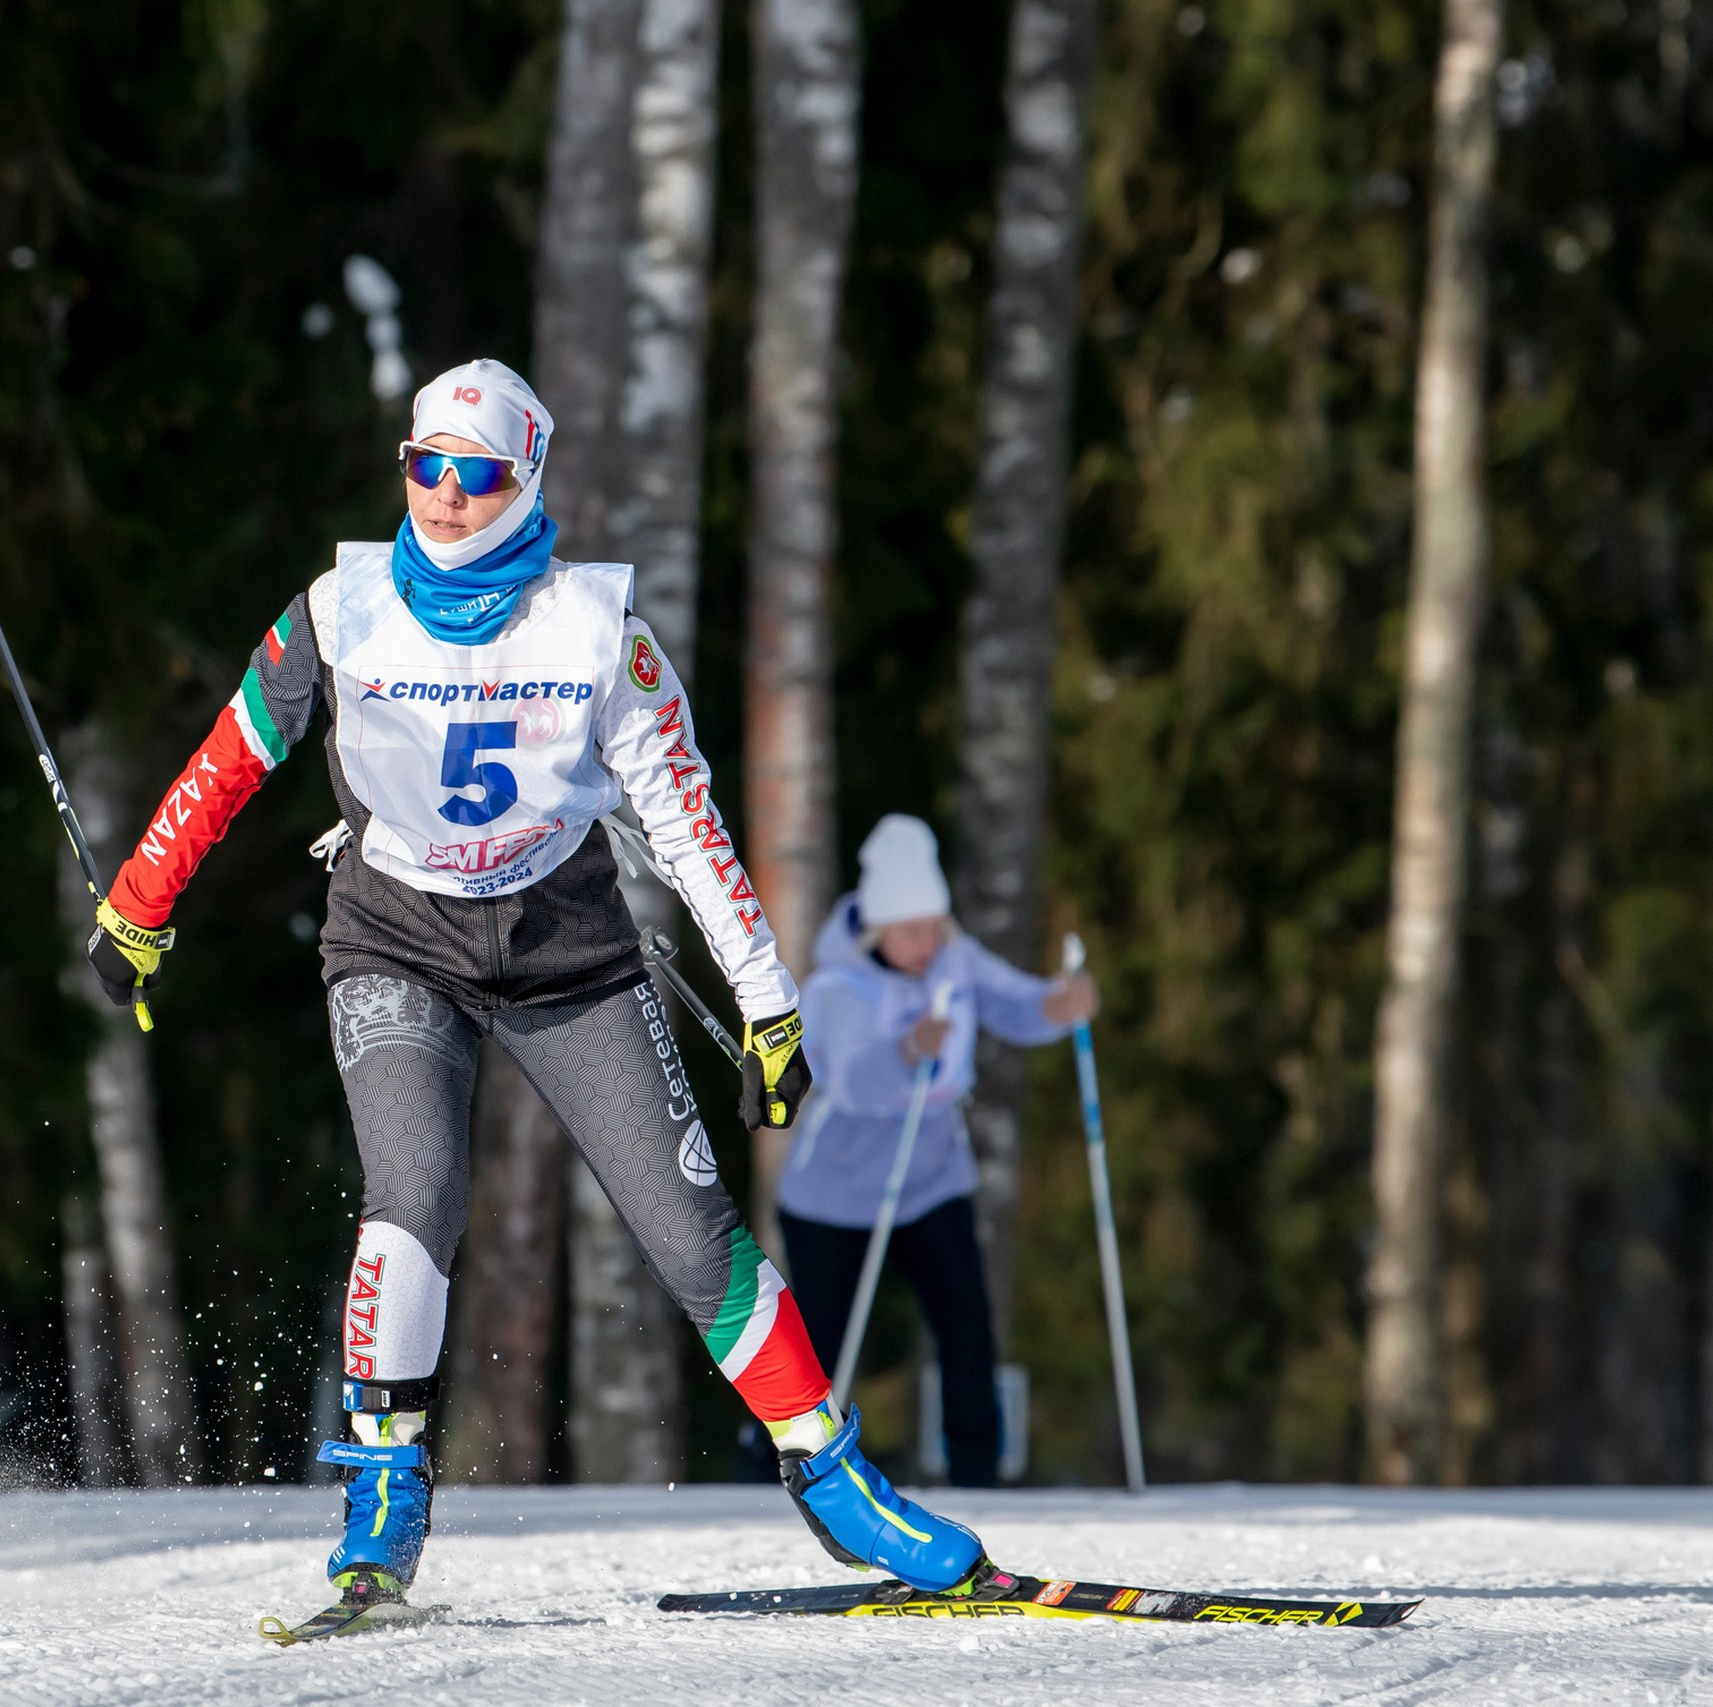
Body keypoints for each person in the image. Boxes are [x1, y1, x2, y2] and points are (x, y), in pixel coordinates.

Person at [82, 360, 996, 1622]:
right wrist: (138, 904)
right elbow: (231, 756)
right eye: (425, 466)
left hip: (569, 952)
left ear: (524, 482)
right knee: (414, 1195)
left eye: (477, 474)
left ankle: (836, 1481)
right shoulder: (339, 611)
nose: (446, 496)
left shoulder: (594, 630)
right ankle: (382, 1502)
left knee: (693, 1236)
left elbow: (685, 822)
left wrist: (767, 1003)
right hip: (396, 941)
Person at [776, 813, 1097, 1486]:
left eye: (934, 926)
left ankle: (977, 1468)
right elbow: (853, 1081)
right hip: (836, 1191)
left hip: (929, 1176)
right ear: (877, 928)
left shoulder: (954, 958)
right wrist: (908, 1048)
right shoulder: (837, 987)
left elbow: (1014, 1003)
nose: (926, 944)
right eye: (910, 930)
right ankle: (774, 1467)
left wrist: (1060, 1005)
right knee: (820, 1345)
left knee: (965, 1319)